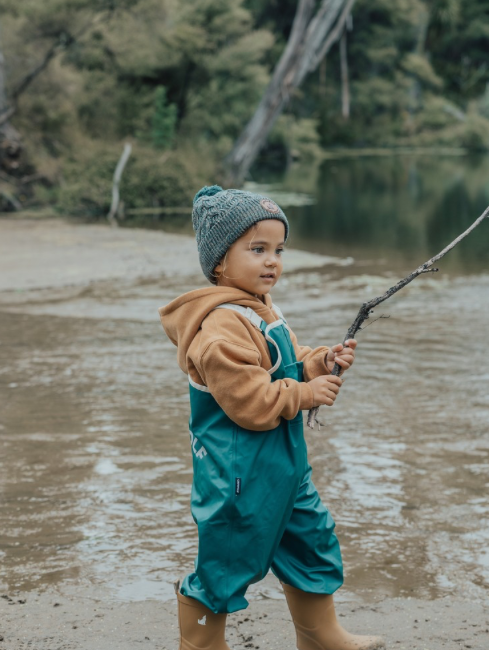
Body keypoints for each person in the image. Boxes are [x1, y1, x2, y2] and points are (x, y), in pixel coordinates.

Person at [159, 186, 385, 650]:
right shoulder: (219, 326)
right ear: (220, 261)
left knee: (311, 539)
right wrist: (304, 393)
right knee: (227, 560)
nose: (272, 261)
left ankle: (320, 636)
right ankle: (201, 645)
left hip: (285, 467)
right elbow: (250, 400)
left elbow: (284, 361)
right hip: (238, 476)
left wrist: (319, 362)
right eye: (257, 249)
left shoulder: (263, 311)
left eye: (279, 250)